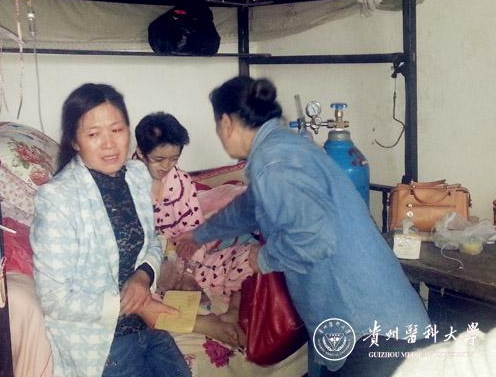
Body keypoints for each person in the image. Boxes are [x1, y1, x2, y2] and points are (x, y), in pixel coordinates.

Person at [175, 76, 432, 376]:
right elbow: (248, 207)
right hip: (377, 321)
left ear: (227, 123)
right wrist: (199, 235)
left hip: (370, 328)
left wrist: (263, 257)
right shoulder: (285, 147)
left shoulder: (274, 162)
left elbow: (315, 238)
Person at [30, 84, 191, 377]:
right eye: (94, 134)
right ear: (75, 141)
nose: (109, 144)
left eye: (116, 130)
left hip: (147, 327)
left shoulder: (138, 175)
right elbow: (54, 299)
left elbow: (153, 242)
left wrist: (143, 276)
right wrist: (134, 306)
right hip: (101, 343)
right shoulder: (58, 198)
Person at [134, 111, 253, 348]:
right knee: (134, 298)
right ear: (140, 152)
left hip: (186, 258)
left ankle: (233, 311)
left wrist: (189, 272)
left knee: (251, 256)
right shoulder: (126, 183)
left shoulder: (182, 182)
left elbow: (193, 230)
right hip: (148, 267)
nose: (166, 166)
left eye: (174, 159)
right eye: (159, 159)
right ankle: (202, 323)